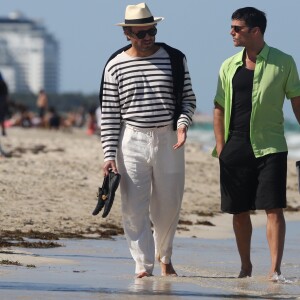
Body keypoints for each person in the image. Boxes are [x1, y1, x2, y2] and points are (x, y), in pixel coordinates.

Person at [99, 3, 196, 278]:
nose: (148, 37)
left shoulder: (175, 58)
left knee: (168, 205)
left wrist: (182, 124)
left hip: (169, 139)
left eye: (151, 30)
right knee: (133, 206)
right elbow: (109, 114)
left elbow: (188, 99)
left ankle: (165, 257)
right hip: (132, 140)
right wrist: (108, 155)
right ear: (128, 34)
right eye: (141, 33)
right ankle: (143, 264)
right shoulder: (114, 66)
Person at [213, 7, 300, 281]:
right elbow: (218, 107)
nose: (232, 32)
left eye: (237, 28)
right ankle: (245, 266)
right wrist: (221, 147)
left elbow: (297, 102)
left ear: (256, 31)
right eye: (232, 27)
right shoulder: (228, 65)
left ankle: (274, 270)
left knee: (273, 208)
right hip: (235, 146)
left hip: (271, 145)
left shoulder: (284, 62)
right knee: (239, 210)